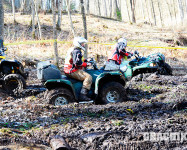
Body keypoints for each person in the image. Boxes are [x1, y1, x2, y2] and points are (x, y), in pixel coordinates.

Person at [64, 37, 93, 102]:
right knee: (88, 77)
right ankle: (83, 95)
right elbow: (77, 62)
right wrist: (86, 64)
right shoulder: (77, 51)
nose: (83, 45)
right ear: (78, 44)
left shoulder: (73, 49)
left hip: (68, 69)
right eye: (82, 44)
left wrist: (86, 60)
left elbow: (76, 59)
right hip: (72, 70)